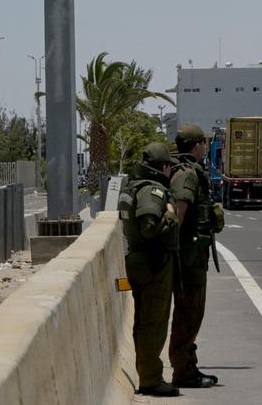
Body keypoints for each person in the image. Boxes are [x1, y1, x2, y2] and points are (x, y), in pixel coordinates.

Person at [119, 143, 181, 398]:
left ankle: (148, 374)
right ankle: (151, 380)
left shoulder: (132, 186)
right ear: (163, 167)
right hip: (152, 263)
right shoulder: (152, 190)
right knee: (153, 324)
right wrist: (171, 215)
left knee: (144, 322)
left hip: (138, 260)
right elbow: (149, 227)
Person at [168, 124, 222, 389]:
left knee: (191, 313)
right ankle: (183, 371)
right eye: (203, 142)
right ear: (196, 145)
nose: (206, 146)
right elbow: (178, 215)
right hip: (188, 258)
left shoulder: (190, 171)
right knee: (188, 313)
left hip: (193, 255)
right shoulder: (187, 175)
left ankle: (188, 365)